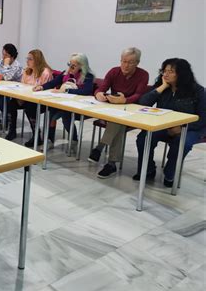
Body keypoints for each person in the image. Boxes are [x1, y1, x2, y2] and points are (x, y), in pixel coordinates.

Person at [134, 58, 205, 187]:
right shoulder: (163, 86)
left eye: (170, 71)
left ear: (181, 74)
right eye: (164, 71)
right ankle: (148, 170)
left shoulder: (198, 91)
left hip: (190, 128)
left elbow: (203, 119)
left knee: (182, 143)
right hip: (164, 125)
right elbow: (143, 103)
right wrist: (161, 87)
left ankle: (170, 173)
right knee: (143, 138)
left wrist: (182, 127)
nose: (165, 74)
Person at [88, 47, 149, 179]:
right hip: (113, 109)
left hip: (132, 111)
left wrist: (125, 100)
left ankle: (99, 147)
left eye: (130, 62)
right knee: (118, 123)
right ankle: (111, 164)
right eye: (124, 61)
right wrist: (98, 94)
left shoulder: (143, 74)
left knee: (118, 122)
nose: (126, 65)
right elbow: (102, 88)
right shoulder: (114, 71)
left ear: (137, 62)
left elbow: (139, 95)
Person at [32, 53, 95, 148]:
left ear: (81, 66)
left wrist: (66, 90)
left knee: (66, 115)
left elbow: (86, 91)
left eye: (73, 65)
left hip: (78, 106)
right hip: (63, 103)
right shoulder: (66, 73)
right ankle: (49, 139)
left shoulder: (88, 76)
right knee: (51, 111)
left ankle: (74, 139)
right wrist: (42, 87)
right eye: (69, 64)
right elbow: (54, 82)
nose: (70, 67)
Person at [6, 49, 53, 145]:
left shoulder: (45, 72)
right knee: (11, 103)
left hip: (41, 101)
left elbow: (46, 91)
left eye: (30, 59)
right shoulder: (27, 71)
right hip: (27, 99)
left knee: (30, 108)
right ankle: (12, 130)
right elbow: (22, 87)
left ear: (37, 60)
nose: (27, 61)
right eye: (27, 58)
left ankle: (37, 135)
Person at [0, 43, 23, 128]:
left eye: (6, 55)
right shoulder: (1, 62)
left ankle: (7, 121)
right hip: (2, 87)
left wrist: (6, 65)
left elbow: (7, 77)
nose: (3, 57)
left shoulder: (17, 65)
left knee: (2, 99)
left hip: (14, 90)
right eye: (3, 54)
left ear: (12, 56)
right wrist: (1, 74)